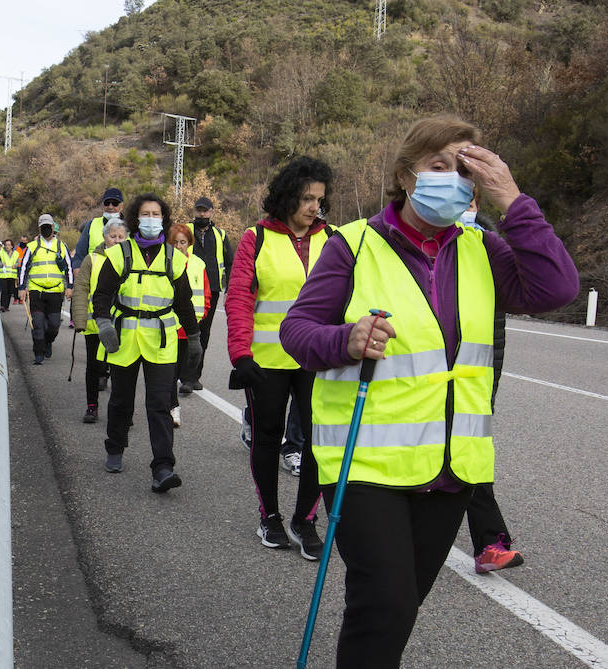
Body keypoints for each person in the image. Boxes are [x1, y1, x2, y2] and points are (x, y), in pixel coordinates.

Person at [279, 115, 579, 666]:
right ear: (406, 176)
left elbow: (557, 286)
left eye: (464, 169)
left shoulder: (482, 248)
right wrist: (347, 339)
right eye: (438, 166)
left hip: (450, 467)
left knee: (398, 610)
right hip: (364, 465)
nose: (453, 179)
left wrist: (513, 201)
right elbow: (297, 333)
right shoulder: (353, 245)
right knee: (385, 604)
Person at [224, 157, 333, 561]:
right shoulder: (257, 238)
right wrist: (240, 353)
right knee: (267, 439)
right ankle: (269, 515)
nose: (313, 207)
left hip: (318, 360)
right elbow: (238, 298)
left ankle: (305, 520)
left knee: (319, 442)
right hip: (268, 361)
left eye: (319, 199)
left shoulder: (335, 239)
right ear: (286, 197)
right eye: (306, 198)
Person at [91, 194, 202, 490]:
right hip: (124, 337)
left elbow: (184, 303)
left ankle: (163, 467)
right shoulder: (118, 254)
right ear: (135, 219)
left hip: (161, 341)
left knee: (160, 405)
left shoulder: (174, 258)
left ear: (163, 219)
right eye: (145, 213)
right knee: (120, 400)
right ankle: (115, 446)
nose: (151, 218)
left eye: (156, 214)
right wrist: (103, 323)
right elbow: (101, 295)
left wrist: (193, 338)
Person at [459, 201, 523, 574]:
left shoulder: (490, 243)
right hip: (419, 374)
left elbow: (552, 285)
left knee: (471, 442)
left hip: (479, 367)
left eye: (467, 198)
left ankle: (489, 541)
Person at [73, 219, 127, 424]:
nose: (116, 240)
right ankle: (92, 406)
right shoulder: (91, 259)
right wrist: (79, 319)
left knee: (119, 369)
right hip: (95, 324)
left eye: (121, 237)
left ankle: (120, 412)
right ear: (104, 237)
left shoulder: (130, 260)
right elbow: (81, 288)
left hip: (121, 326)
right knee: (93, 367)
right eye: (113, 236)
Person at [184, 195, 233, 395]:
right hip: (185, 289)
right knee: (187, 332)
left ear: (212, 212)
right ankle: (184, 376)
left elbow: (230, 262)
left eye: (205, 210)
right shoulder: (185, 230)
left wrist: (229, 286)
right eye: (199, 210)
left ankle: (194, 376)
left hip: (210, 291)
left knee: (203, 334)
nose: (202, 214)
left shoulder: (220, 235)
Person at [167, 223, 211, 428]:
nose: (179, 246)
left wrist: (201, 316)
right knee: (169, 371)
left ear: (189, 243)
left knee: (185, 367)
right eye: (174, 242)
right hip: (169, 327)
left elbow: (206, 292)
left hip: (191, 327)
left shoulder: (198, 264)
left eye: (182, 242)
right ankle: (172, 408)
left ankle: (181, 390)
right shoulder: (164, 263)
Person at [18, 214, 74, 366]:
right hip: (37, 291)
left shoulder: (61, 246)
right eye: (43, 227)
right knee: (37, 323)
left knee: (54, 325)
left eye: (48, 226)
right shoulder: (32, 247)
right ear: (39, 228)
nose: (46, 229)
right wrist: (22, 288)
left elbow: (69, 267)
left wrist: (70, 286)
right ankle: (39, 352)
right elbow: (23, 268)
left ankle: (48, 341)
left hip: (56, 292)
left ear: (53, 227)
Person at [75, 187, 125, 269]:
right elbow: (79, 255)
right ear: (102, 205)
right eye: (107, 203)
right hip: (93, 279)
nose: (110, 207)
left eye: (115, 203)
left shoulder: (130, 227)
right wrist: (77, 271)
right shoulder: (91, 225)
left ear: (121, 206)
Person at [0, 239, 18, 311]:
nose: (7, 246)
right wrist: (1, 264)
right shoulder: (1, 252)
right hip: (3, 275)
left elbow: (19, 262)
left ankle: (7, 306)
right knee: (4, 291)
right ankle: (2, 306)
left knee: (9, 292)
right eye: (6, 245)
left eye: (9, 245)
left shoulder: (16, 253)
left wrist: (16, 265)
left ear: (12, 246)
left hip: (12, 275)